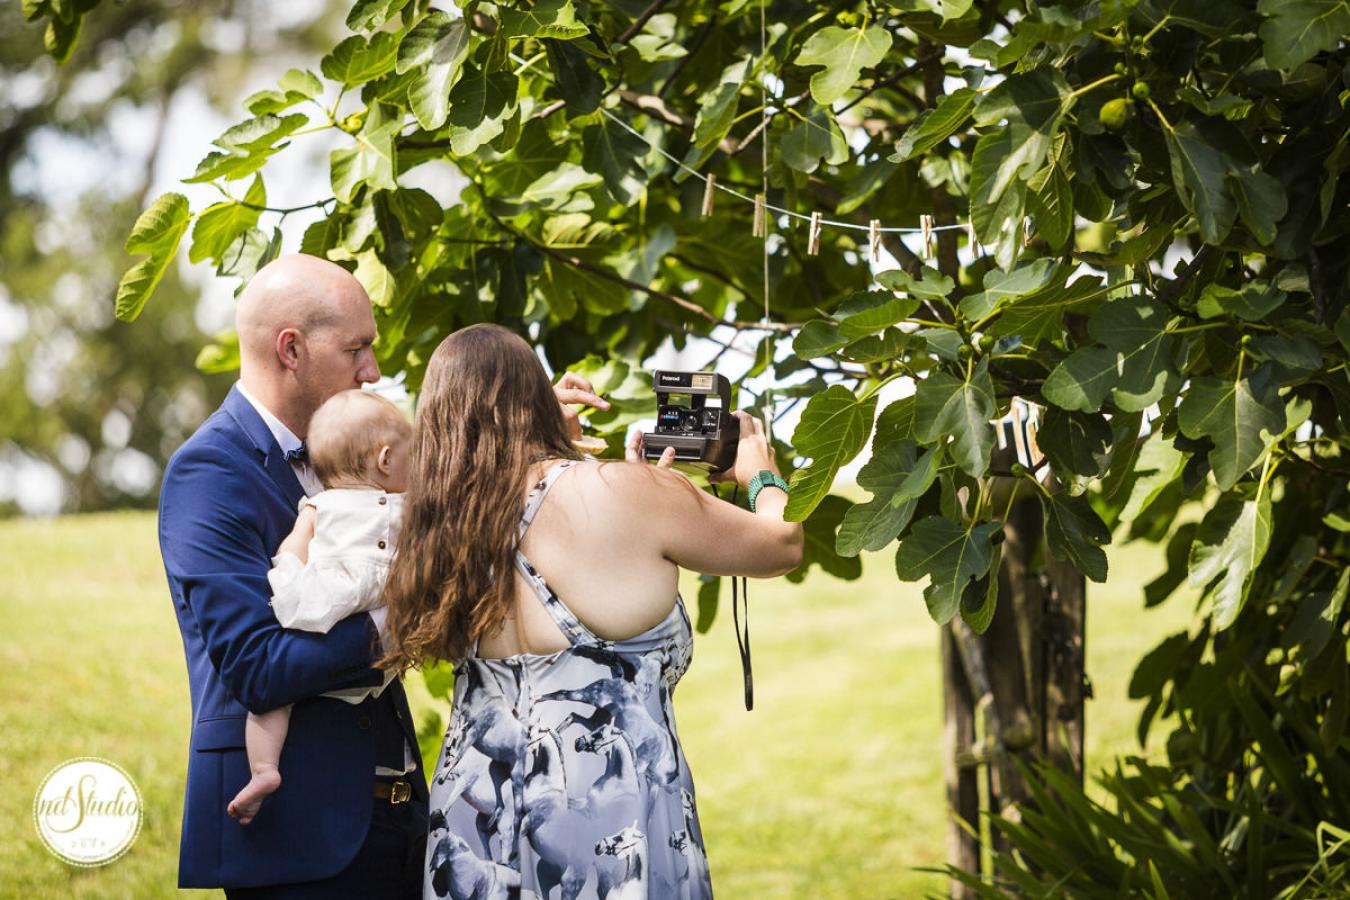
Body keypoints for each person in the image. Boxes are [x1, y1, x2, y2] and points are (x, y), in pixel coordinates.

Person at [158, 255, 609, 898]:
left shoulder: (357, 445)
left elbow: (444, 513)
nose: (372, 371)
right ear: (292, 349)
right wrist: (408, 612)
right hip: (298, 839)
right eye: (357, 348)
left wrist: (530, 432)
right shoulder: (210, 471)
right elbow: (257, 666)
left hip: (403, 823)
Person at [376, 323, 803, 899]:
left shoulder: (440, 526)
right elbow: (782, 544)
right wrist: (761, 473)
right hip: (602, 815)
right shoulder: (623, 491)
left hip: (474, 808)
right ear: (535, 397)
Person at [227, 390, 413, 827]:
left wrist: (289, 570)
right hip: (354, 600)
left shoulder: (318, 504)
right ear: (385, 459)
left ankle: (264, 767)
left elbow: (295, 544)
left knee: (276, 706)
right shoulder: (384, 503)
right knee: (275, 696)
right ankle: (264, 770)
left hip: (334, 601)